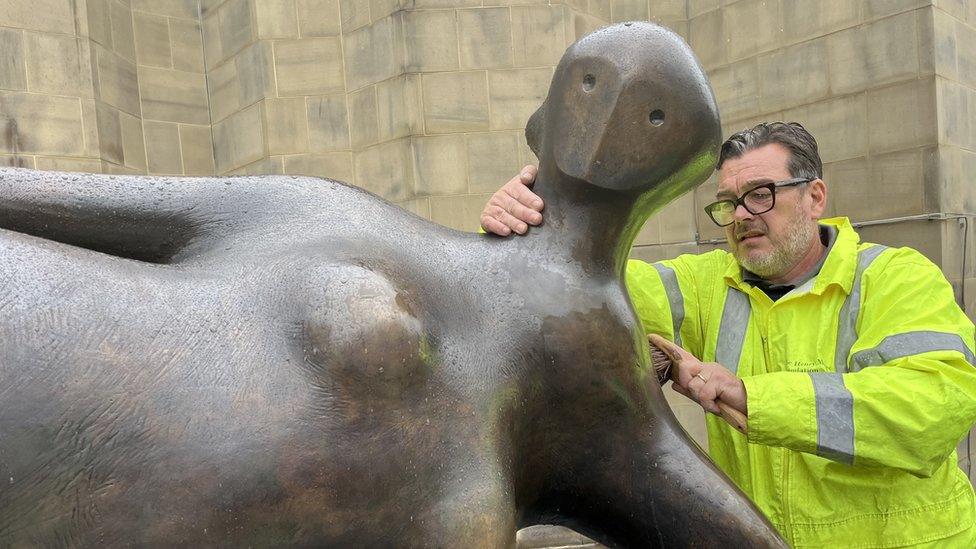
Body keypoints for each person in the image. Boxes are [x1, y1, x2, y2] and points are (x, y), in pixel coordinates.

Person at [480, 122, 976, 547]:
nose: (741, 216)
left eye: (761, 194)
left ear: (815, 197)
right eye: (728, 203)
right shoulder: (706, 283)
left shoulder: (894, 278)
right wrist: (536, 222)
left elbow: (937, 405)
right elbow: (579, 285)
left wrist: (751, 398)